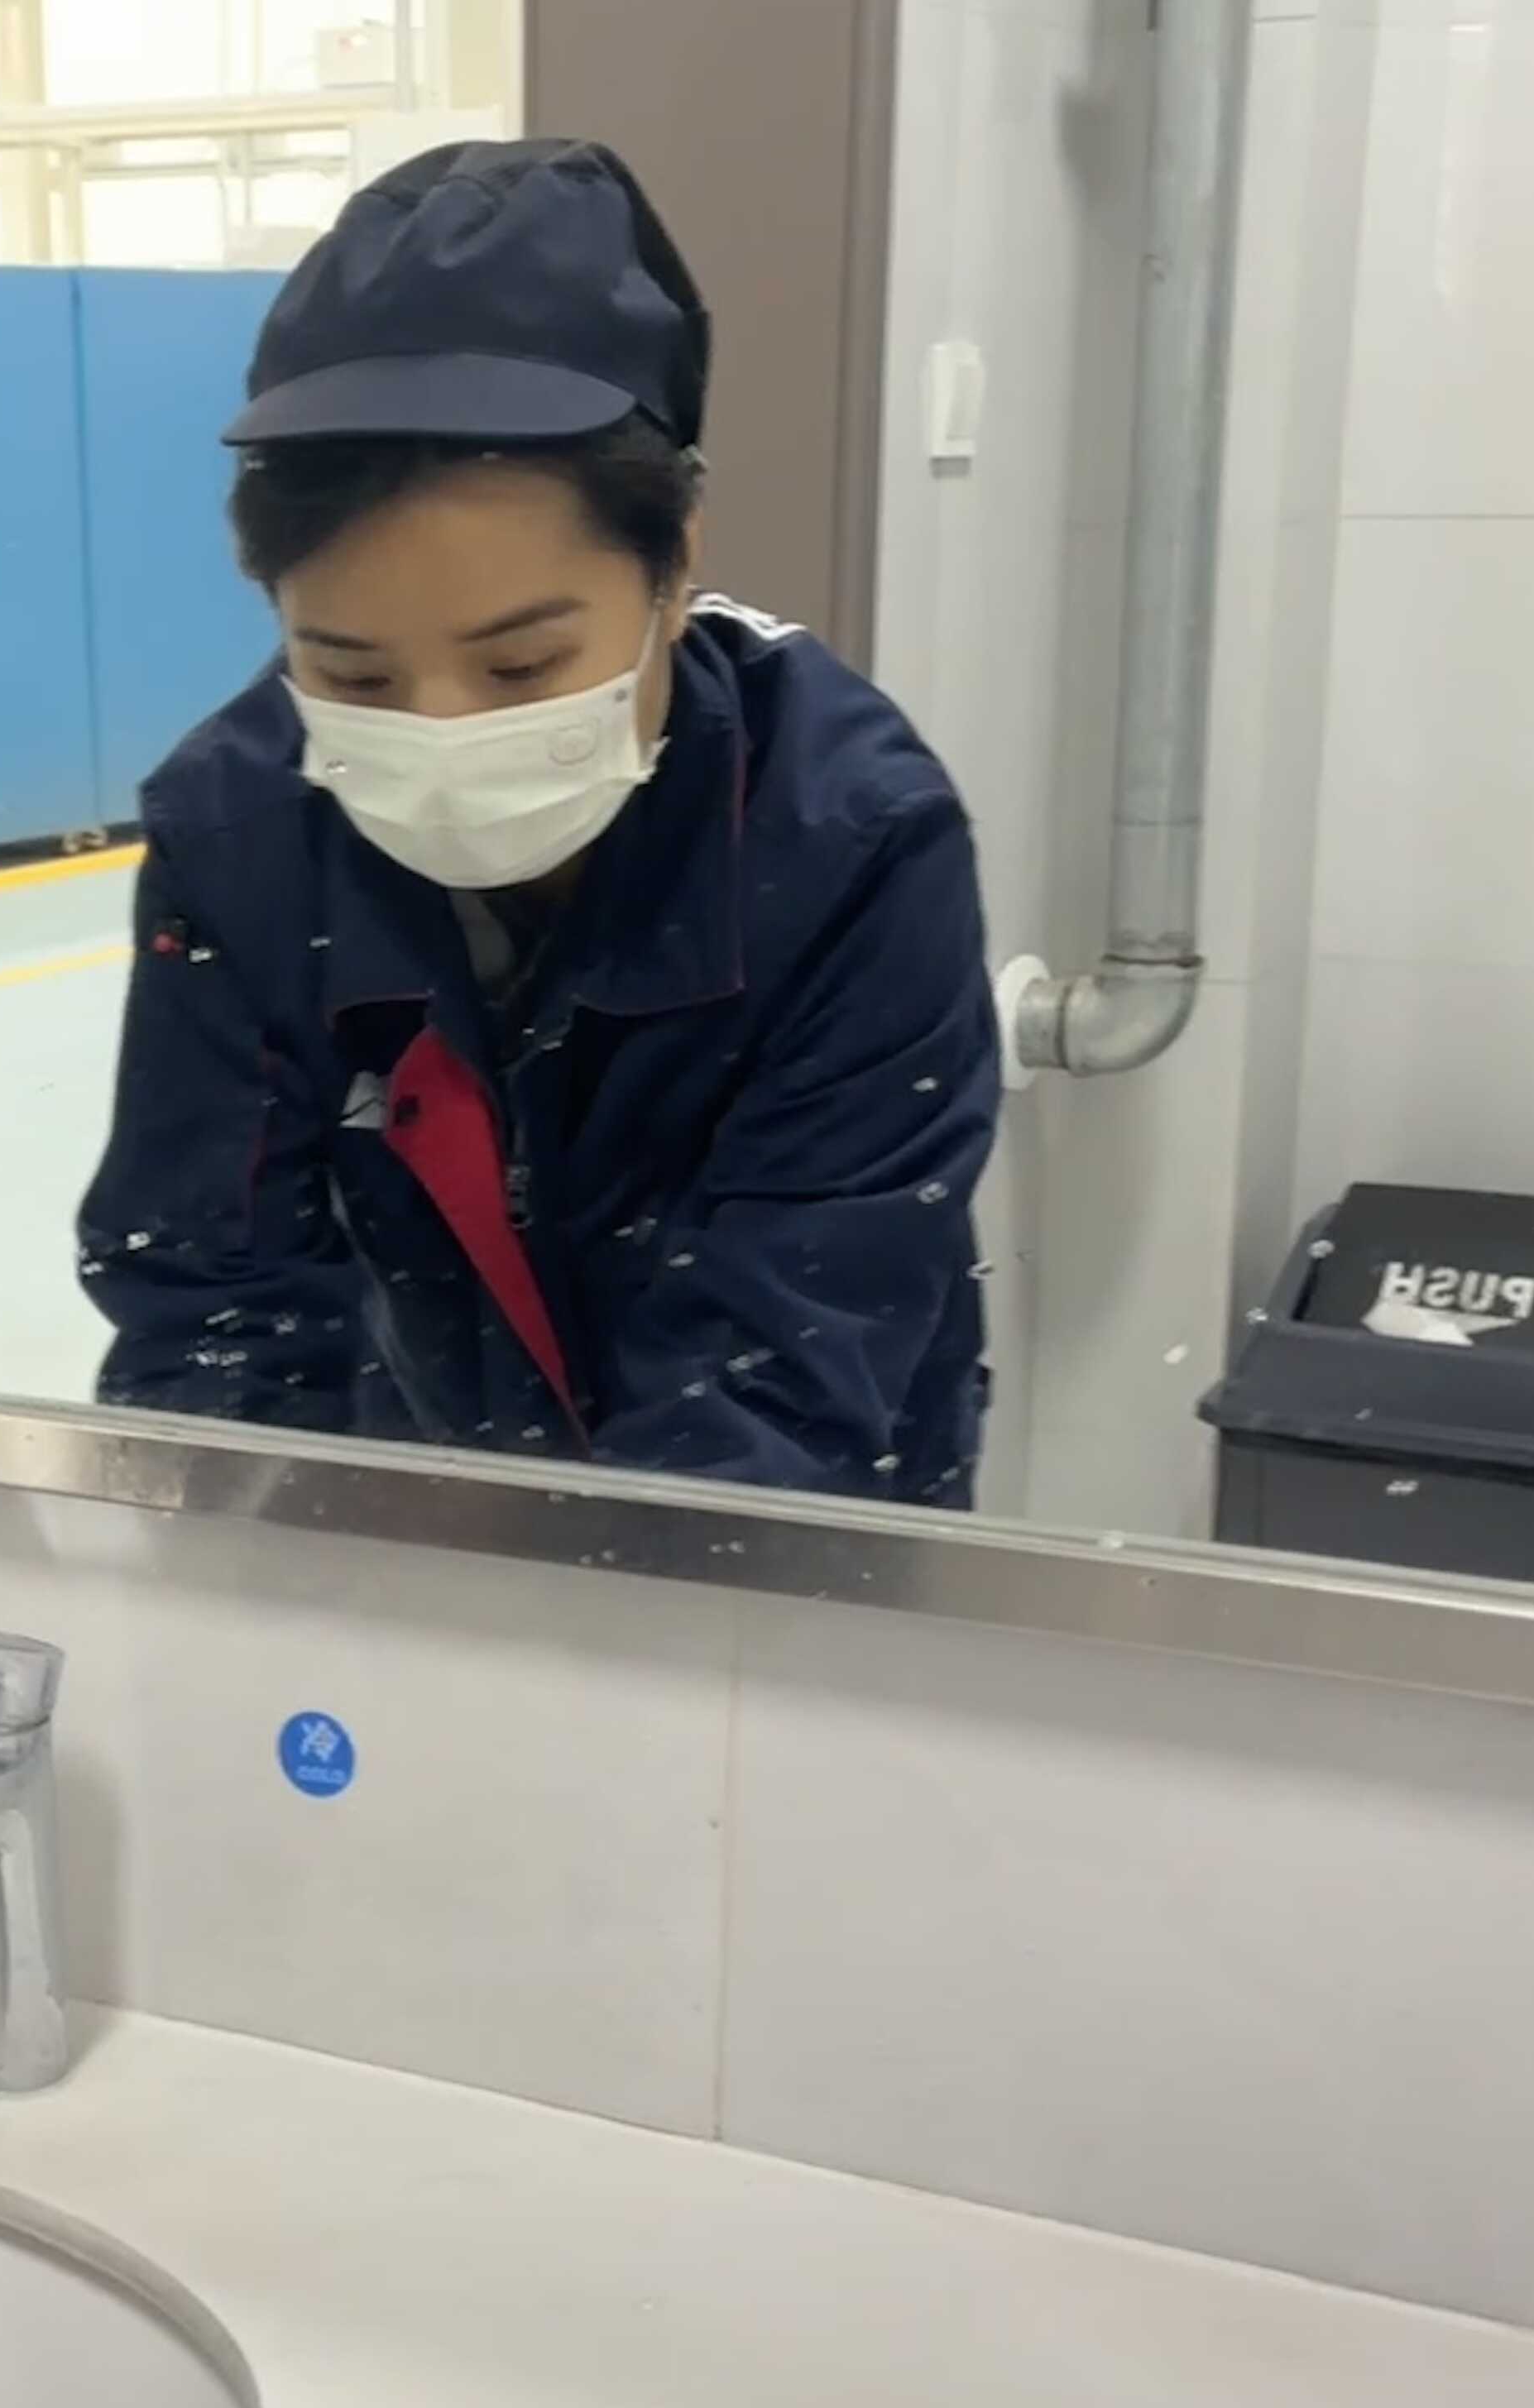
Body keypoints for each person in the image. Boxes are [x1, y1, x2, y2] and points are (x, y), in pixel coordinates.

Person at [77, 141, 999, 1501]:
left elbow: (793, 1363)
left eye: (520, 667)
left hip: (798, 1527)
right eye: (354, 676)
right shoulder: (240, 831)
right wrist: (260, 1569)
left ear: (675, 570)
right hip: (427, 1506)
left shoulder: (845, 840)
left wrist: (596, 1612)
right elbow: (214, 1301)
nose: (443, 732)